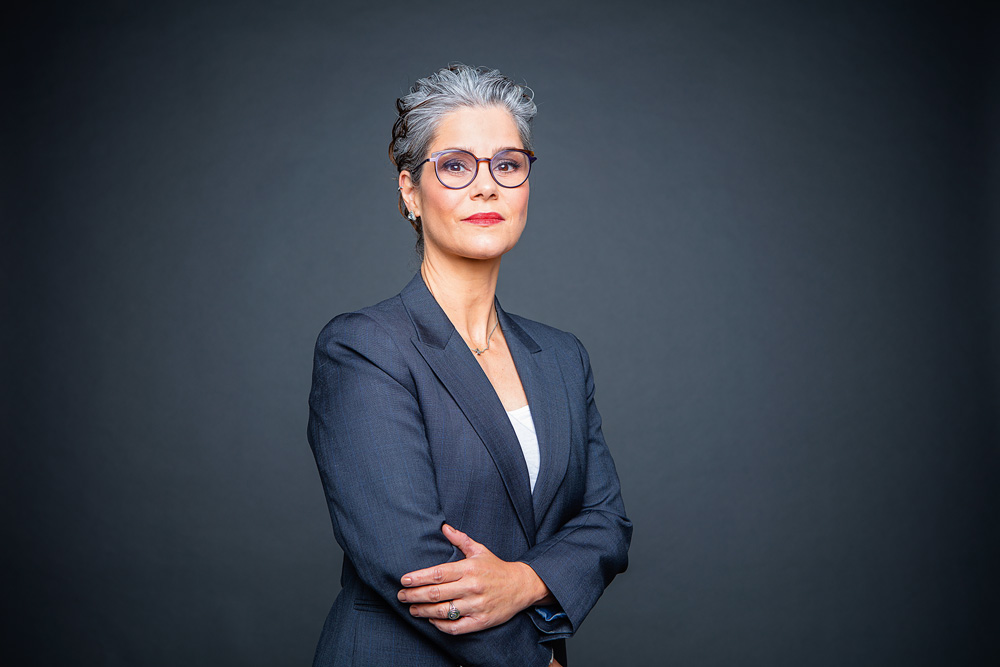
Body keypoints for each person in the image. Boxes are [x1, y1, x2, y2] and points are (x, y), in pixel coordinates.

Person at [307, 64, 631, 667]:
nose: (487, 186)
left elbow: (606, 523)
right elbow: (412, 564)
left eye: (507, 164)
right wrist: (542, 662)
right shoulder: (364, 348)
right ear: (409, 190)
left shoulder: (561, 355)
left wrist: (527, 582)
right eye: (455, 165)